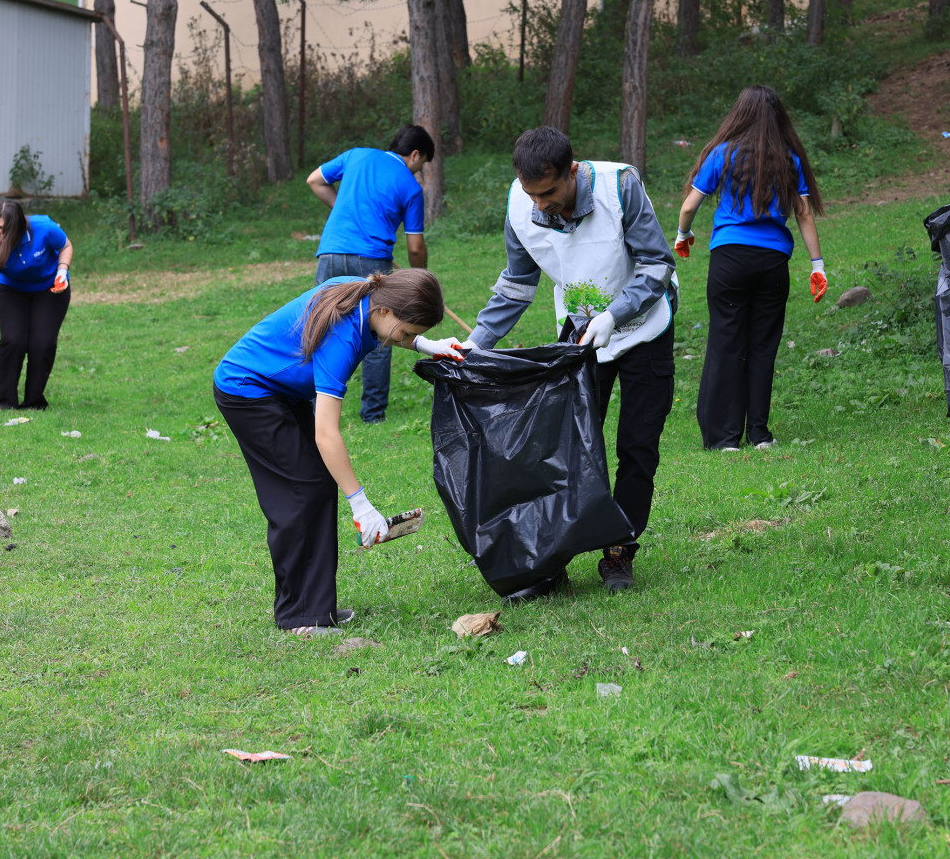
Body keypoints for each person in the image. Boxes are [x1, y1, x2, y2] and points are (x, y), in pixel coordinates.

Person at [465, 127, 676, 597]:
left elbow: (657, 265)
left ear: (572, 172)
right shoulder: (522, 206)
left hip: (644, 332)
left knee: (637, 448)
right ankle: (552, 556)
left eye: (550, 192)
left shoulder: (619, 186)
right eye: (531, 193)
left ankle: (619, 551)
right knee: (570, 451)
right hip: (579, 342)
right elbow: (517, 285)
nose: (541, 204)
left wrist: (615, 314)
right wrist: (475, 343)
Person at [213, 269, 466, 635]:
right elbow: (327, 434)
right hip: (248, 392)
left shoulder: (366, 293)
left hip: (278, 390)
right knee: (300, 491)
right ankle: (301, 618)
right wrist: (361, 505)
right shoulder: (343, 337)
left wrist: (429, 345)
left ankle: (311, 609)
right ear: (384, 312)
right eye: (409, 334)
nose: (409, 340)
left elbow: (391, 330)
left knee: (312, 485)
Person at [673, 86, 827, 451]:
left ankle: (725, 438)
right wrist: (816, 266)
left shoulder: (721, 154)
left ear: (738, 115)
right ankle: (759, 434)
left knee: (727, 341)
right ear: (778, 118)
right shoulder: (789, 159)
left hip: (730, 260)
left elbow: (688, 206)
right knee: (763, 346)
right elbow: (804, 215)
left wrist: (683, 235)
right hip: (773, 263)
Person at [305, 124, 434, 423]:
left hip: (330, 254)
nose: (418, 173)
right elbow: (415, 247)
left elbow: (315, 180)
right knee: (378, 333)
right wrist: (419, 280)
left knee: (320, 326)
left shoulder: (356, 155)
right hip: (371, 262)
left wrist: (343, 209)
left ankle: (309, 410)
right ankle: (373, 415)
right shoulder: (411, 187)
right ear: (415, 155)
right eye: (421, 165)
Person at [0, 200, 73, 410]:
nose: (2, 234)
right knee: (13, 340)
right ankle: (6, 403)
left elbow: (66, 246)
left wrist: (62, 271)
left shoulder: (44, 228)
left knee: (42, 343)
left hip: (49, 288)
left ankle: (34, 402)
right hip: (11, 290)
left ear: (21, 227)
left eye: (8, 230)